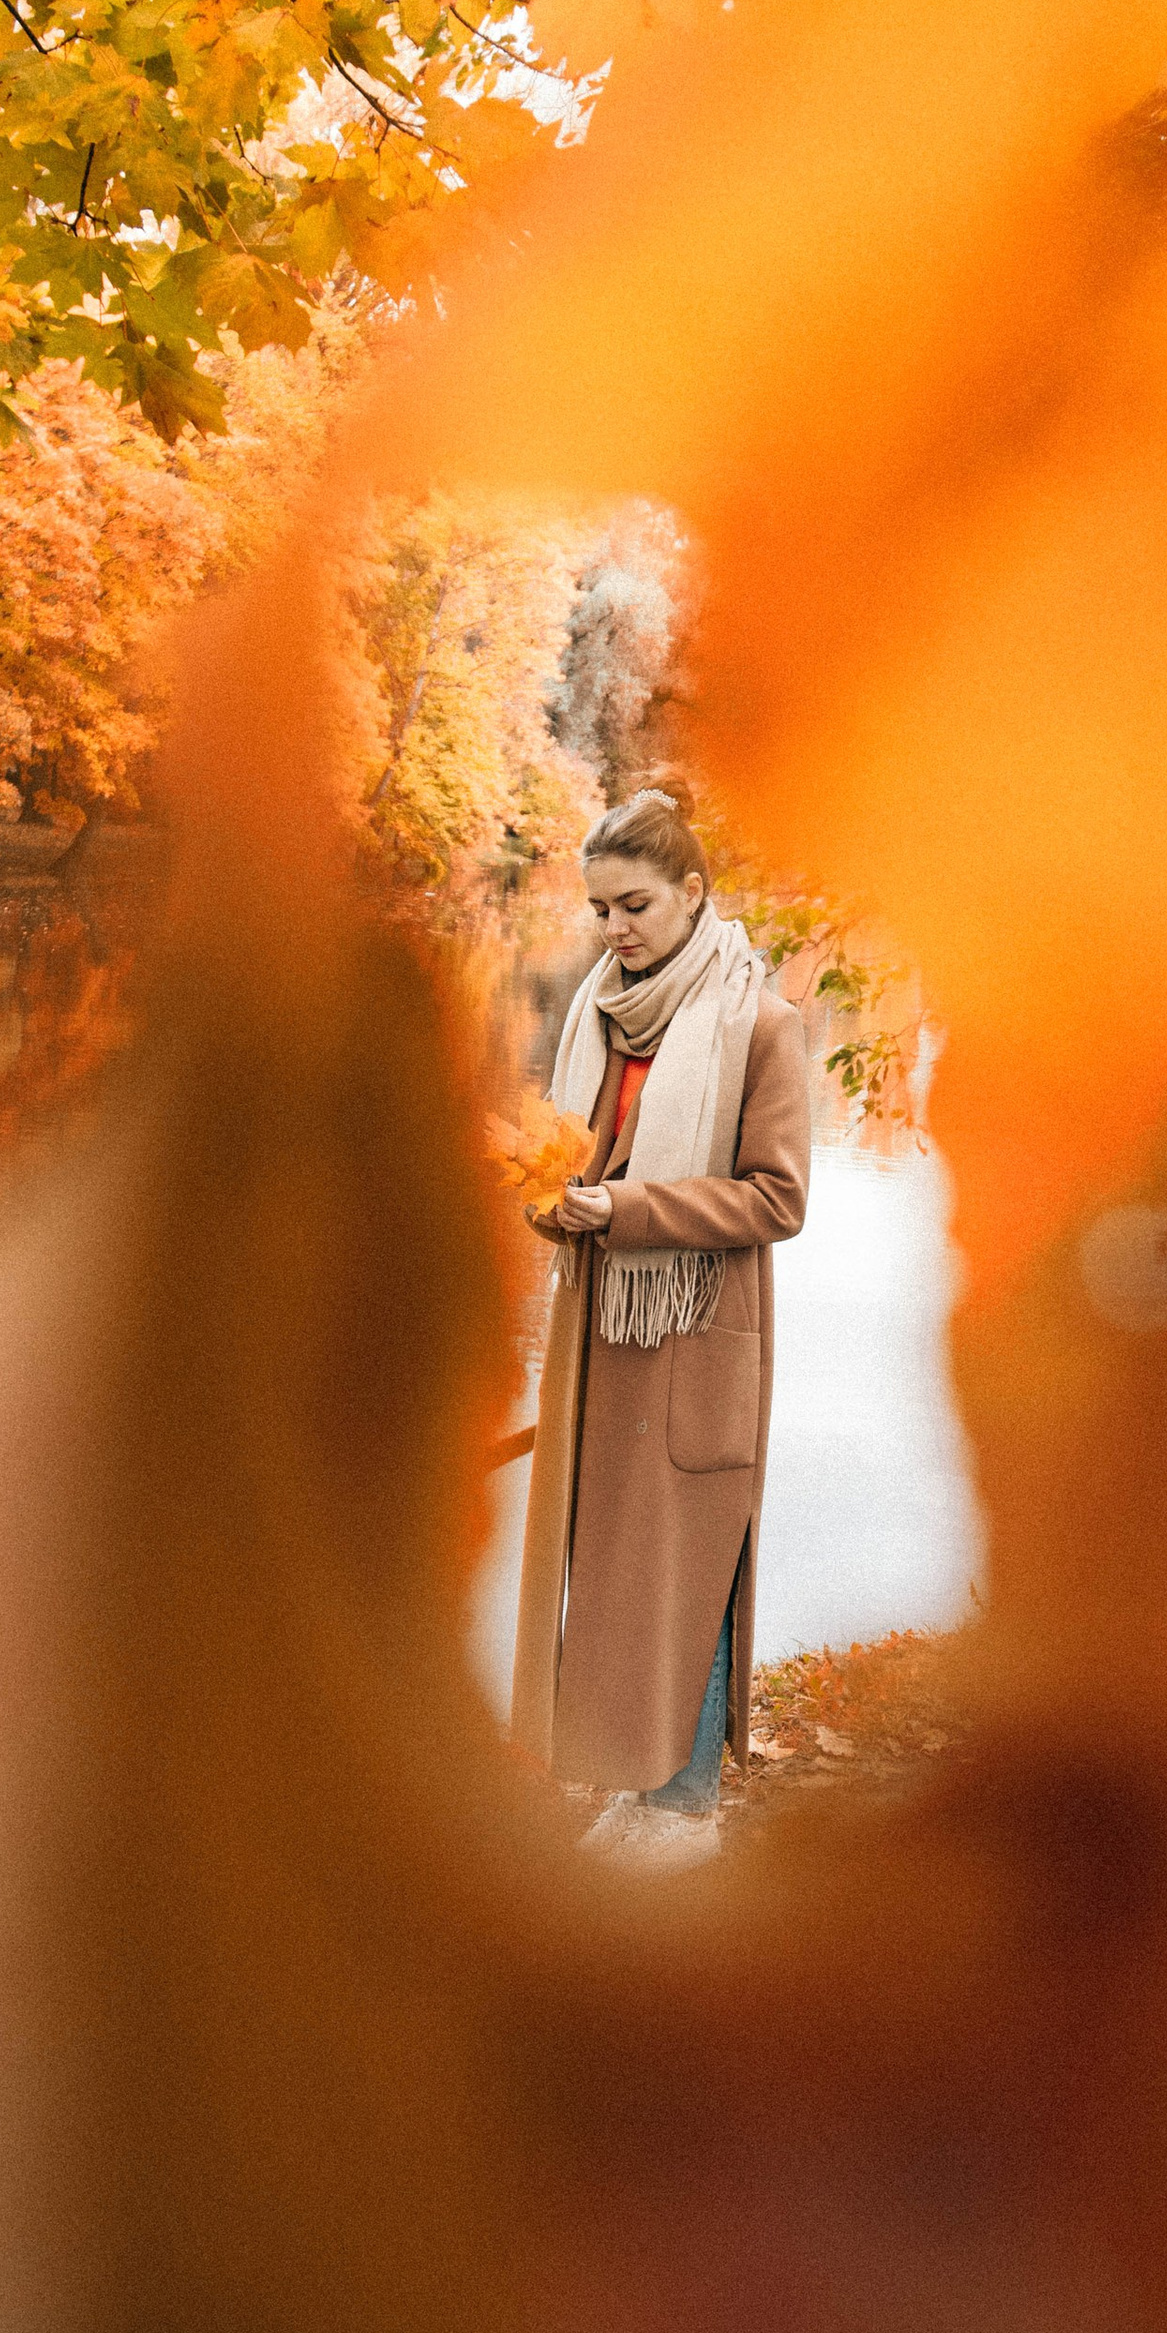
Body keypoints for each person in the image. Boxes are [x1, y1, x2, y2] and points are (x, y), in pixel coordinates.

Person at [511, 789, 812, 1861]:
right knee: (610, 1576)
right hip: (604, 1335)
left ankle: (682, 1813)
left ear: (693, 892)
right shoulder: (602, 1015)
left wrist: (626, 1211)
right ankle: (634, 1785)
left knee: (689, 1563)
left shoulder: (760, 1026)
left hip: (694, 1335)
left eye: (633, 904)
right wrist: (550, 1190)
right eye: (599, 909)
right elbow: (582, 1164)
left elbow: (777, 1201)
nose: (614, 929)